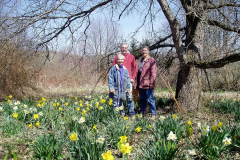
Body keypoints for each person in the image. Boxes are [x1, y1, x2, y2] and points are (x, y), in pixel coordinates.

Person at [112, 43, 136, 117]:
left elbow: (134, 68)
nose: (124, 49)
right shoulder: (117, 57)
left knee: (129, 97)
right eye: (122, 47)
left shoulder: (131, 57)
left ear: (127, 48)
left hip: (128, 81)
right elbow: (113, 68)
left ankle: (132, 113)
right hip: (119, 81)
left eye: (125, 47)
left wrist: (133, 77)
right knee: (120, 97)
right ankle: (122, 113)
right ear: (120, 48)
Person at [135, 46, 157, 119]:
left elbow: (153, 73)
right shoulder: (141, 61)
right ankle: (142, 113)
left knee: (150, 99)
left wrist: (152, 83)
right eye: (143, 50)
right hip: (141, 84)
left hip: (148, 84)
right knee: (142, 99)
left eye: (145, 50)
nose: (144, 52)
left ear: (148, 51)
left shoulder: (151, 60)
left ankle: (153, 114)